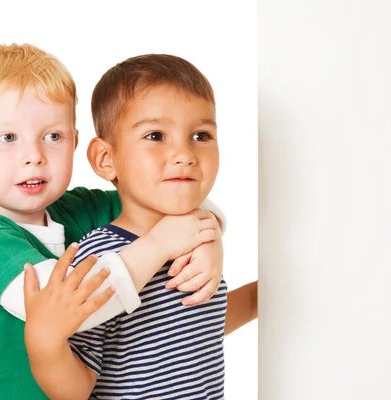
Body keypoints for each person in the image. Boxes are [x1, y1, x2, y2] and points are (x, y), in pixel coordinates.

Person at [0, 43, 226, 400]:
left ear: (75, 143)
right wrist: (161, 244)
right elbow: (68, 306)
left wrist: (207, 238)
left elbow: (165, 198)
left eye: (53, 136)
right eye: (8, 138)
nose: (33, 157)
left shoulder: (75, 209)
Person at [25, 53, 258, 400]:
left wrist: (260, 297)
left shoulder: (199, 244)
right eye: (155, 135)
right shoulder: (100, 256)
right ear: (106, 159)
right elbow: (75, 388)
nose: (184, 153)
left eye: (201, 135)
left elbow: (196, 332)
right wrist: (44, 345)